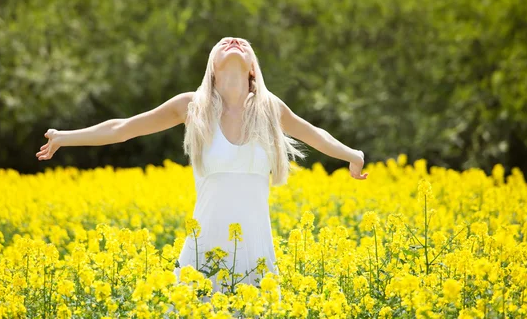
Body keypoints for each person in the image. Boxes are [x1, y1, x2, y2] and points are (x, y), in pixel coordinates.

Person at [35, 36, 368, 294]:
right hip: (203, 250)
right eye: (224, 43)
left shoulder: (269, 108)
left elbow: (316, 135)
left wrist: (352, 155)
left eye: (242, 43)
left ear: (252, 66)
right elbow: (122, 129)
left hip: (256, 255)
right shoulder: (192, 106)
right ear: (212, 66)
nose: (233, 42)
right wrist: (65, 137)